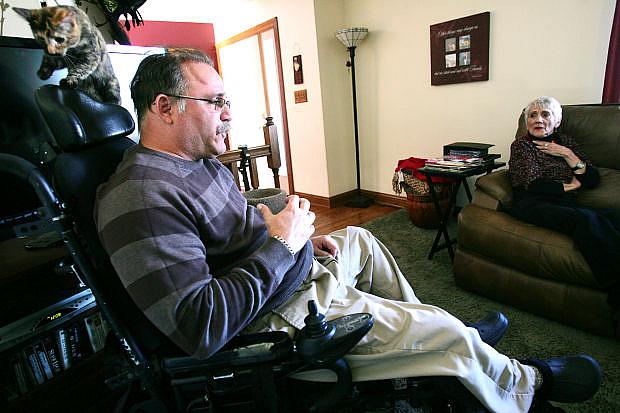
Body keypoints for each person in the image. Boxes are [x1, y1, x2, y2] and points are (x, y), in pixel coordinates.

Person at [95, 49, 601, 413]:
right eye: (216, 101)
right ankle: (521, 380)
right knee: (444, 334)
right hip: (268, 318)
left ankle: (440, 334)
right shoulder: (141, 197)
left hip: (283, 276)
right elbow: (200, 326)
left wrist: (294, 239)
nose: (229, 114)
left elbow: (234, 223)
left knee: (361, 239)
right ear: (165, 108)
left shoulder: (196, 161)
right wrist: (283, 244)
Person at [508, 96, 620, 319]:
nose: (538, 119)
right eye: (532, 115)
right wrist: (570, 187)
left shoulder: (567, 143)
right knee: (585, 219)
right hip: (531, 203)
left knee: (614, 216)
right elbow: (533, 184)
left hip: (563, 203)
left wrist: (568, 155)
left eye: (545, 114)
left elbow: (593, 179)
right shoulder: (522, 145)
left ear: (557, 121)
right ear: (527, 121)